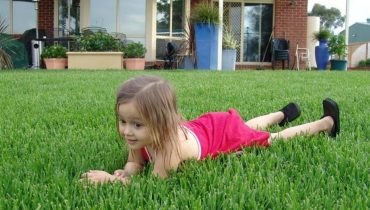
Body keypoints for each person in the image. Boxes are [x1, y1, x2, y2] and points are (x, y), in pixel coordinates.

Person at [81, 75, 340, 185]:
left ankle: (325, 123)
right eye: (123, 121)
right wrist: (125, 172)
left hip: (217, 137)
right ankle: (284, 113)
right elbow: (134, 164)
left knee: (266, 139)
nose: (127, 131)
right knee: (245, 126)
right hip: (205, 127)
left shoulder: (168, 149)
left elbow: (152, 185)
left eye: (137, 124)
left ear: (161, 122)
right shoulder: (138, 138)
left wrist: (112, 182)